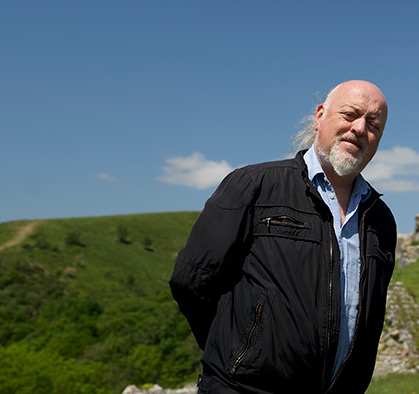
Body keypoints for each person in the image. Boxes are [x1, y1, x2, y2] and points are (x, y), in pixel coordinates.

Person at [169, 80, 396, 393]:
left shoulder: (381, 220)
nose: (359, 128)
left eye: (373, 124)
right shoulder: (254, 185)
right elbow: (191, 282)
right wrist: (237, 356)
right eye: (350, 114)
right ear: (320, 116)